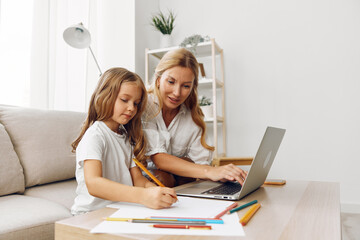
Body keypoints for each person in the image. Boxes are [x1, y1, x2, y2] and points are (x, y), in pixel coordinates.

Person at [70, 67, 176, 215]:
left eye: (136, 103)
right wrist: (143, 196)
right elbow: (94, 184)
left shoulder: (125, 136)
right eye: (125, 100)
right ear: (105, 96)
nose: (131, 108)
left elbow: (137, 179)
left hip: (120, 210)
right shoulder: (95, 136)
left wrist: (155, 190)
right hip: (90, 214)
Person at [142, 48, 247, 187]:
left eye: (186, 86)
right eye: (171, 82)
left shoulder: (193, 118)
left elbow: (200, 165)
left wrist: (222, 174)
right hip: (147, 184)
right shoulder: (144, 106)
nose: (177, 93)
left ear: (192, 87)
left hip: (180, 190)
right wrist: (209, 171)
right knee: (162, 177)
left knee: (188, 164)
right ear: (158, 80)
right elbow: (158, 158)